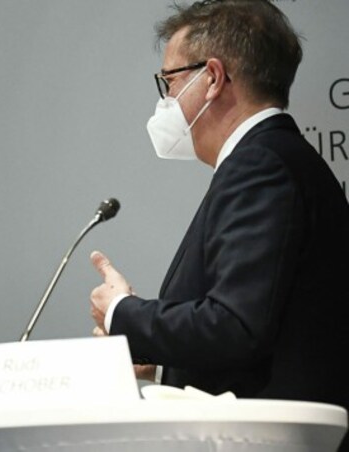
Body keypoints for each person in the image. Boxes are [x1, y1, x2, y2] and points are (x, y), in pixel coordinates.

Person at [88, 1, 349, 449]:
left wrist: (122, 314)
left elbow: (234, 325)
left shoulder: (261, 165)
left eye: (168, 82)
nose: (164, 100)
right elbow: (258, 325)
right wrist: (160, 362)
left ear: (211, 77)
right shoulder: (273, 160)